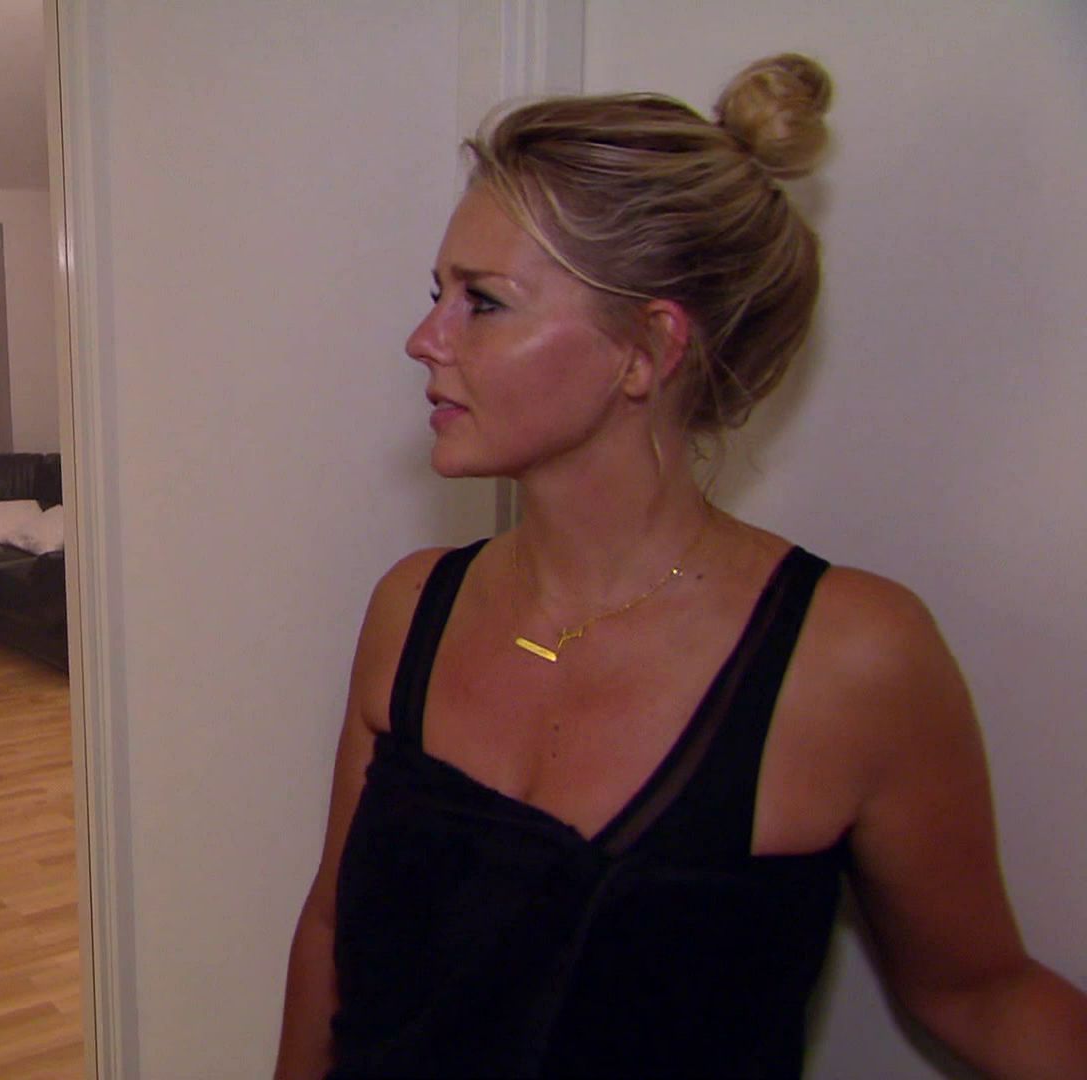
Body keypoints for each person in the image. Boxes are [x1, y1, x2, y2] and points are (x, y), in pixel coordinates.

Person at [275, 54, 1087, 1079]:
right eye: (437, 294)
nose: (422, 339)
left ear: (646, 349)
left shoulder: (850, 660)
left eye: (483, 302)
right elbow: (330, 934)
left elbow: (982, 993)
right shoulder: (412, 609)